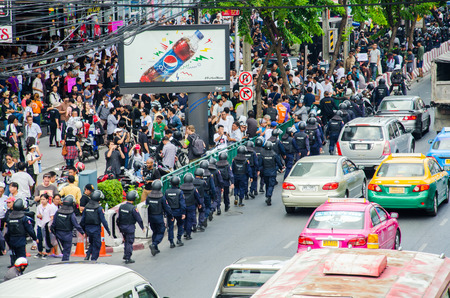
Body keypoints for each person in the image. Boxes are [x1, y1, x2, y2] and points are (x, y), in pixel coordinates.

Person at [5, 198, 38, 267]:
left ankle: (14, 267)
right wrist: (35, 238)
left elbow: (7, 230)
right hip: (21, 239)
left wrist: (7, 240)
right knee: (22, 259)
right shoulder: (23, 218)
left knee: (14, 256)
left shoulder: (10, 217)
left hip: (11, 240)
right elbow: (30, 229)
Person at [51, 195, 84, 261]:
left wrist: (54, 232)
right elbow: (76, 224)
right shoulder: (71, 213)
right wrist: (82, 232)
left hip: (58, 233)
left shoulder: (58, 211)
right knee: (67, 250)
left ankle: (64, 259)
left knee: (65, 248)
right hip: (67, 234)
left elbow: (54, 223)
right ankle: (65, 262)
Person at [80, 190, 111, 261]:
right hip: (96, 228)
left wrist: (83, 230)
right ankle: (94, 260)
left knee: (92, 242)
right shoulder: (99, 208)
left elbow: (83, 219)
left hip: (88, 228)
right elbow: (103, 220)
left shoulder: (87, 207)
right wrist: (108, 230)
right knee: (97, 244)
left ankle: (88, 255)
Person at [117, 190, 144, 264]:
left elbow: (118, 218)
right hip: (130, 227)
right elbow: (138, 218)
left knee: (126, 241)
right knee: (129, 242)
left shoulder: (122, 206)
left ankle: (126, 254)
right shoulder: (133, 208)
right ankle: (128, 258)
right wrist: (142, 227)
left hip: (122, 227)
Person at [147, 180, 173, 256]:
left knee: (155, 231)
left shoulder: (148, 197)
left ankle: (155, 248)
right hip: (158, 217)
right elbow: (167, 208)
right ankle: (154, 244)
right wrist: (171, 215)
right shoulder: (161, 197)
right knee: (161, 231)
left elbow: (146, 208)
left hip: (151, 217)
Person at [259, 141, 283, 206]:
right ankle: (269, 196)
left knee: (267, 184)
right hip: (272, 172)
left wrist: (259, 170)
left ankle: (267, 196)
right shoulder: (274, 154)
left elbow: (260, 164)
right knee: (271, 185)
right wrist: (281, 168)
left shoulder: (262, 154)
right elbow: (278, 162)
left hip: (265, 172)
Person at [165, 176, 186, 248]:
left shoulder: (167, 192)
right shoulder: (180, 192)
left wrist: (166, 213)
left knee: (170, 227)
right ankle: (179, 239)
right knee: (180, 225)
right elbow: (182, 203)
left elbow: (165, 204)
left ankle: (171, 242)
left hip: (170, 212)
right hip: (178, 211)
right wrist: (183, 213)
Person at [181, 173, 202, 240]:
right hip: (191, 206)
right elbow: (198, 197)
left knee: (184, 220)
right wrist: (199, 203)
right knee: (189, 220)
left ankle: (184, 231)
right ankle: (188, 234)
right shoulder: (193, 189)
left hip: (183, 206)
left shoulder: (181, 188)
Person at [34, 193, 55, 259]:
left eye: (44, 199)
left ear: (47, 200)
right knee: (39, 238)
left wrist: (50, 225)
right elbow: (37, 215)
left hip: (47, 224)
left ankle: (47, 252)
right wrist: (39, 216)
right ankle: (40, 251)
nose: (42, 201)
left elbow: (52, 216)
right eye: (41, 199)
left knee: (47, 239)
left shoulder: (50, 207)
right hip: (40, 224)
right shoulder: (39, 207)